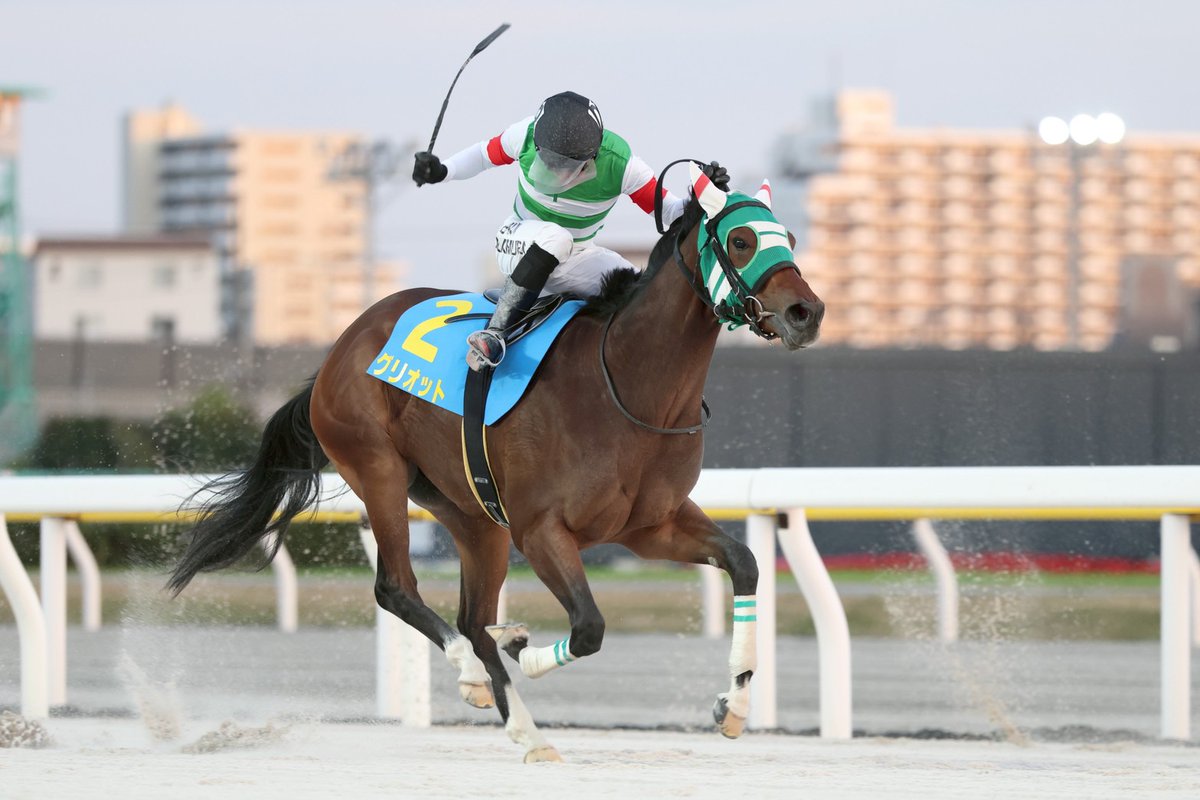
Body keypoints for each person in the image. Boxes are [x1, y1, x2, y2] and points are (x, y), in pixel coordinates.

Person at [412, 90, 728, 371]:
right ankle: (494, 334)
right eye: (547, 159)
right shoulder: (525, 133)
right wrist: (444, 170)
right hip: (518, 240)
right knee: (556, 238)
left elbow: (672, 213)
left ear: (591, 157)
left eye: (563, 164)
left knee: (638, 288)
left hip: (576, 256)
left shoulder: (622, 165)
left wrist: (702, 196)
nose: (552, 169)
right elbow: (484, 154)